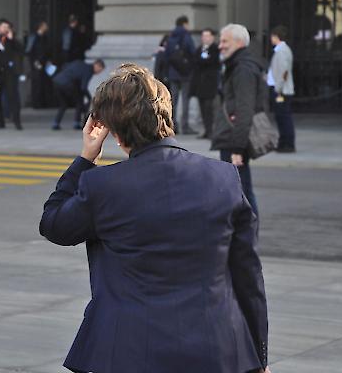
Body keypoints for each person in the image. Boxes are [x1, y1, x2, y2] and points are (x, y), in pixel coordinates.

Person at [39, 63, 270, 373]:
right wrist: (259, 359)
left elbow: (54, 225)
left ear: (116, 133)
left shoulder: (103, 186)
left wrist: (85, 158)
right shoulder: (223, 177)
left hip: (128, 352)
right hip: (215, 350)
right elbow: (248, 277)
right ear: (167, 117)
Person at [212, 23, 268, 220]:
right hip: (233, 136)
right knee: (237, 191)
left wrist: (237, 148)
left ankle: (248, 238)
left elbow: (245, 109)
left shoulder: (242, 68)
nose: (220, 45)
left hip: (235, 139)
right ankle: (242, 237)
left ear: (238, 42)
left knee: (241, 192)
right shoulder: (237, 65)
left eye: (225, 41)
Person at [51, 59, 105, 130]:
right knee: (79, 102)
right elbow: (83, 87)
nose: (99, 72)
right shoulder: (88, 71)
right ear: (97, 65)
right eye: (100, 70)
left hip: (57, 82)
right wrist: (89, 98)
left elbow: (65, 66)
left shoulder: (79, 63)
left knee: (63, 104)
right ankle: (76, 123)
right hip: (67, 84)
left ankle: (56, 123)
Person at [165, 15, 196, 134]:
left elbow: (166, 56)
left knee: (173, 100)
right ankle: (185, 126)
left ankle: (173, 124)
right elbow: (192, 52)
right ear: (184, 24)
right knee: (185, 100)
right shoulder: (187, 36)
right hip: (185, 73)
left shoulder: (171, 37)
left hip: (173, 72)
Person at [267, 25, 296, 153]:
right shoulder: (280, 50)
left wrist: (278, 87)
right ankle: (284, 142)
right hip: (280, 89)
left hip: (282, 91)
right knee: (281, 117)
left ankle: (287, 143)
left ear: (276, 37)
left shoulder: (282, 51)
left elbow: (284, 71)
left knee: (284, 117)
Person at [191, 28, 221, 139]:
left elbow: (213, 62)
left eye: (207, 36)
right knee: (202, 108)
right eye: (203, 36)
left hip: (211, 83)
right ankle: (206, 130)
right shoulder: (199, 49)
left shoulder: (216, 49)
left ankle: (211, 130)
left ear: (212, 37)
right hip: (200, 84)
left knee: (209, 108)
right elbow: (195, 62)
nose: (205, 38)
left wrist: (203, 62)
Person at [26, 20, 51, 108]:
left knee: (44, 83)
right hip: (36, 63)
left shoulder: (45, 37)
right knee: (37, 83)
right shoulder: (34, 37)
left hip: (44, 63)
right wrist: (35, 62)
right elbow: (29, 51)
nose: (47, 27)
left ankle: (43, 102)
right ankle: (36, 103)